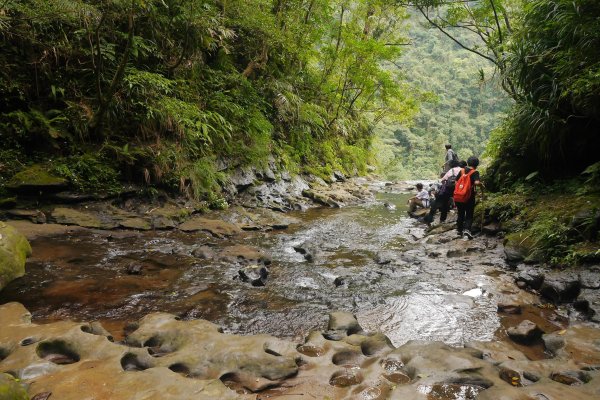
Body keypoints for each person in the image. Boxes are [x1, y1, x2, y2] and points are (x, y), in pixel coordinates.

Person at [454, 156, 483, 240]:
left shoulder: (462, 171)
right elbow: (477, 182)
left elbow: (456, 182)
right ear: (476, 164)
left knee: (460, 213)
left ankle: (459, 230)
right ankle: (466, 231)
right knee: (469, 214)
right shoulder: (475, 172)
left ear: (468, 163)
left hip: (458, 196)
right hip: (469, 197)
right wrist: (481, 184)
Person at [424, 159, 461, 225]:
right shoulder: (462, 170)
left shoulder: (451, 170)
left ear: (451, 165)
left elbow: (442, 180)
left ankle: (436, 221)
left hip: (447, 190)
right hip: (459, 190)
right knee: (460, 206)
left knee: (438, 205)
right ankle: (459, 222)